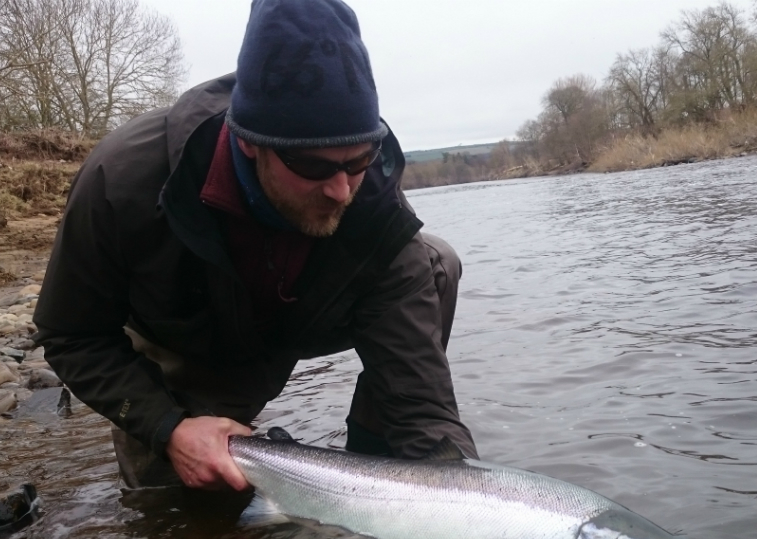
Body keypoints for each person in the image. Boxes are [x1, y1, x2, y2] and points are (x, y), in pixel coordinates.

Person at [33, 0, 478, 491]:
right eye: (314, 166)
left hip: (299, 319)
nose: (341, 190)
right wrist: (168, 428)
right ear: (248, 141)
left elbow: (422, 406)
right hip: (193, 346)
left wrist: (462, 494)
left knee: (435, 263)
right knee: (176, 511)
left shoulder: (372, 200)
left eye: (359, 160)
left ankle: (371, 480)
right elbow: (71, 334)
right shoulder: (121, 182)